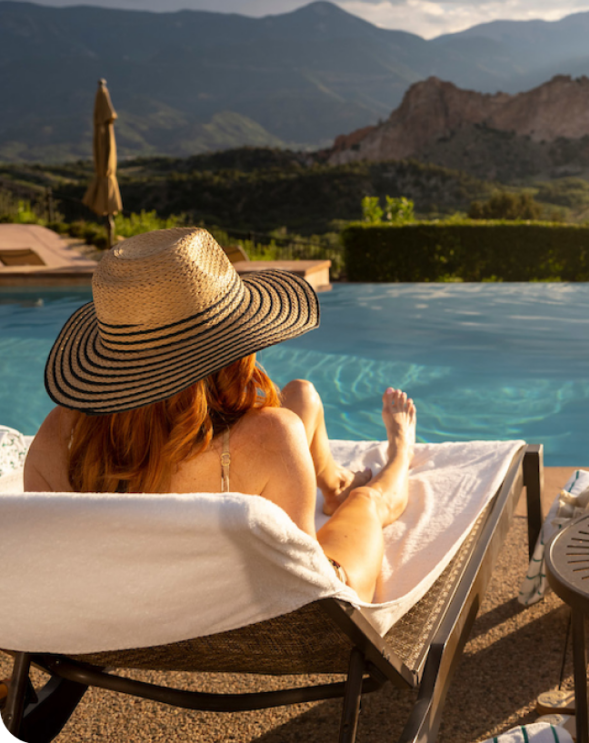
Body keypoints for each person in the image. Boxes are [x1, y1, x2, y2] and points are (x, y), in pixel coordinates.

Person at [22, 227, 415, 604]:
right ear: (236, 339)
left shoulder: (58, 435)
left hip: (118, 614)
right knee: (367, 500)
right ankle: (399, 455)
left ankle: (332, 484)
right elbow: (305, 587)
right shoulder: (272, 436)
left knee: (301, 396)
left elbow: (53, 564)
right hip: (254, 611)